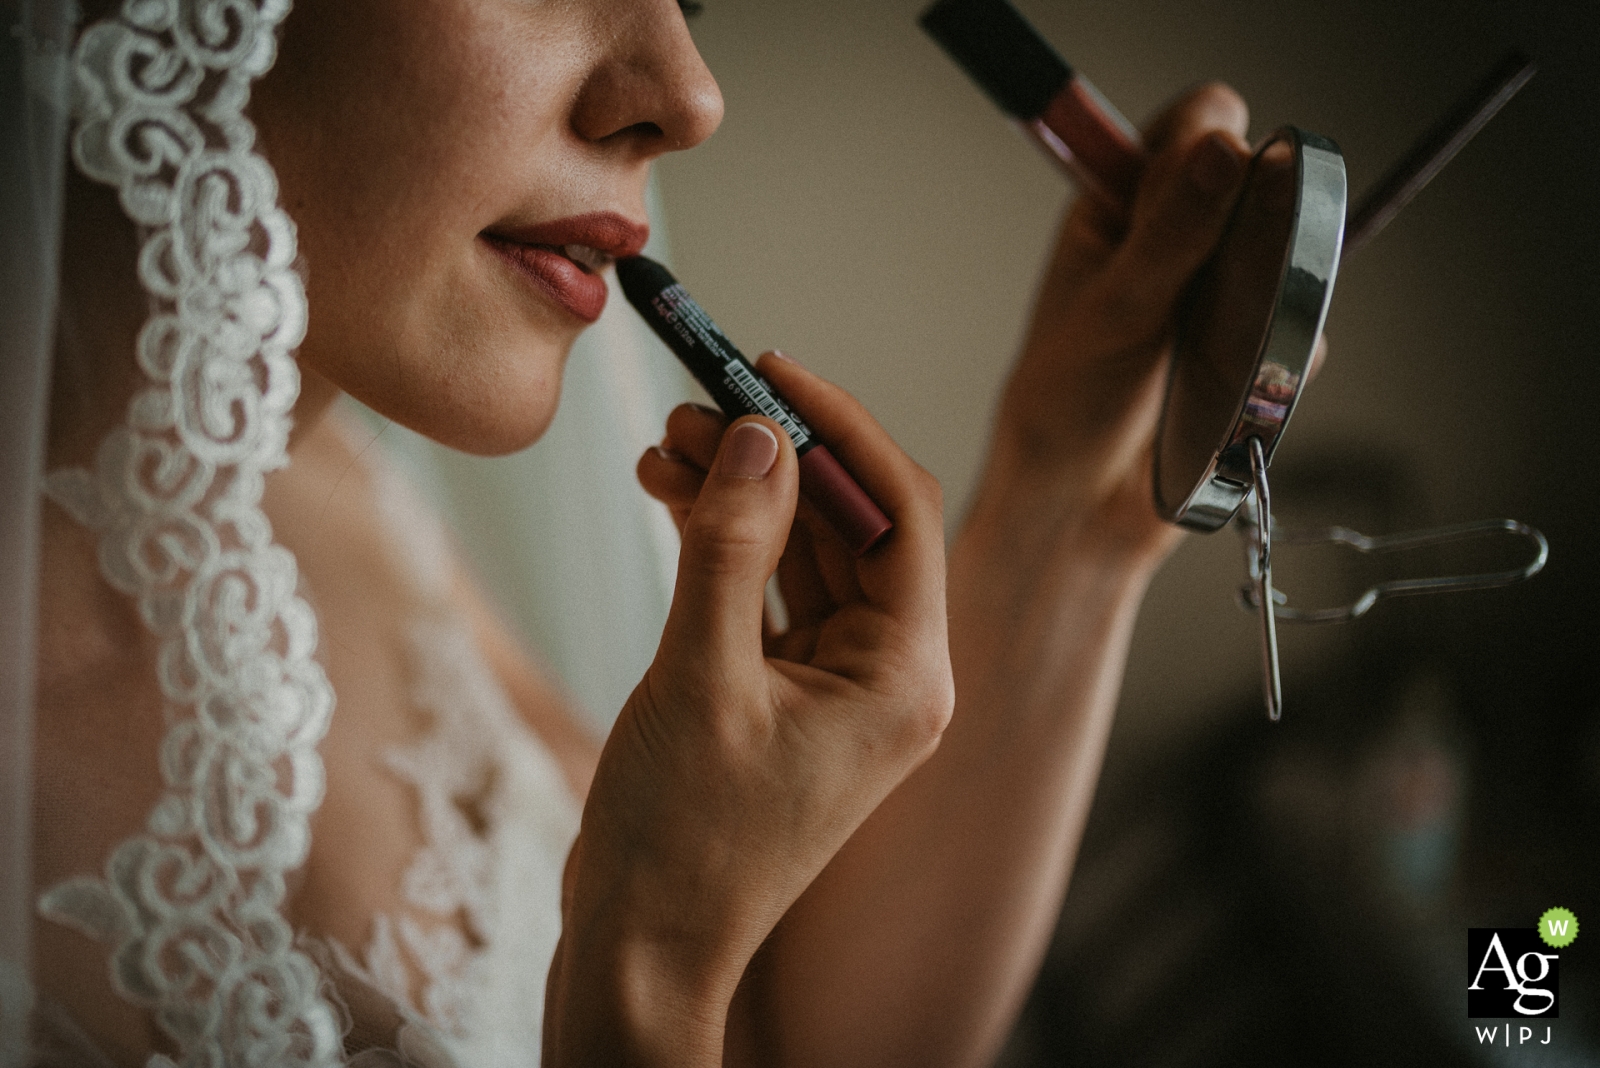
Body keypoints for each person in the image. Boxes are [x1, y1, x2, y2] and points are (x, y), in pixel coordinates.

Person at [8, 0, 1255, 1064]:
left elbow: (769, 1034)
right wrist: (647, 959)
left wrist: (1069, 505)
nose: (692, 96)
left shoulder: (339, 499)